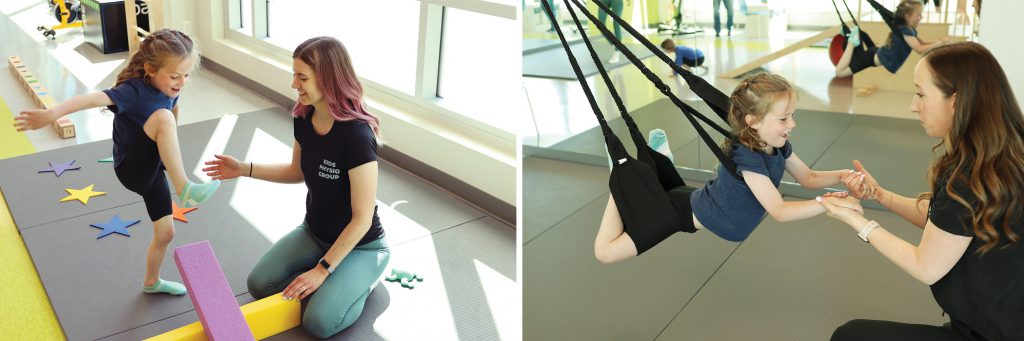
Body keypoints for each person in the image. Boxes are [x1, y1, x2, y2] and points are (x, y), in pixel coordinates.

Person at [821, 42, 1024, 340]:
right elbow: (947, 221)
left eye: (920, 94)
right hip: (999, 323)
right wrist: (880, 195)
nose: (913, 105)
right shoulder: (998, 155)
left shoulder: (970, 175)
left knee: (850, 336)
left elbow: (927, 266)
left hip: (991, 333)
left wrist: (858, 222)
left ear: (956, 101)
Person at [202, 36, 390, 338]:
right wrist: (243, 169)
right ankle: (337, 279)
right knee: (260, 285)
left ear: (328, 79)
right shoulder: (304, 118)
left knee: (318, 323)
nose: (294, 84)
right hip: (314, 233)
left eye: (302, 77)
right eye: (294, 75)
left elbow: (362, 219)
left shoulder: (356, 136)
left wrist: (321, 270)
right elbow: (296, 171)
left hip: (362, 246)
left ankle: (364, 281)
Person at [14, 29, 221, 296]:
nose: (182, 82)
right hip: (132, 167)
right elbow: (89, 99)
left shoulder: (169, 88)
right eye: (175, 76)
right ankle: (185, 188)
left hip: (152, 166)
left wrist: (169, 147)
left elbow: (173, 110)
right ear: (150, 69)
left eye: (186, 75)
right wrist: (52, 113)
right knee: (164, 118)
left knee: (166, 233)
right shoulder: (131, 91)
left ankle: (151, 282)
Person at [594, 72, 863, 263]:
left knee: (612, 244)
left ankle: (656, 166)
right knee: (605, 252)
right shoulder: (747, 158)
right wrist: (827, 204)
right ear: (753, 121)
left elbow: (808, 177)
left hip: (696, 200)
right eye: (783, 118)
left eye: (792, 116)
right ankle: (626, 177)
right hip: (679, 214)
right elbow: (779, 211)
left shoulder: (775, 144)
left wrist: (843, 175)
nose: (792, 124)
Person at [834, 0, 949, 77]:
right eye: (918, 15)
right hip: (871, 58)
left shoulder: (908, 30)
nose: (921, 17)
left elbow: (922, 43)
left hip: (874, 54)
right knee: (839, 72)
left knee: (848, 64)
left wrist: (938, 43)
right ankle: (851, 42)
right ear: (908, 17)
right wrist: (938, 44)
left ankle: (852, 38)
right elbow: (919, 49)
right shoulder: (905, 31)